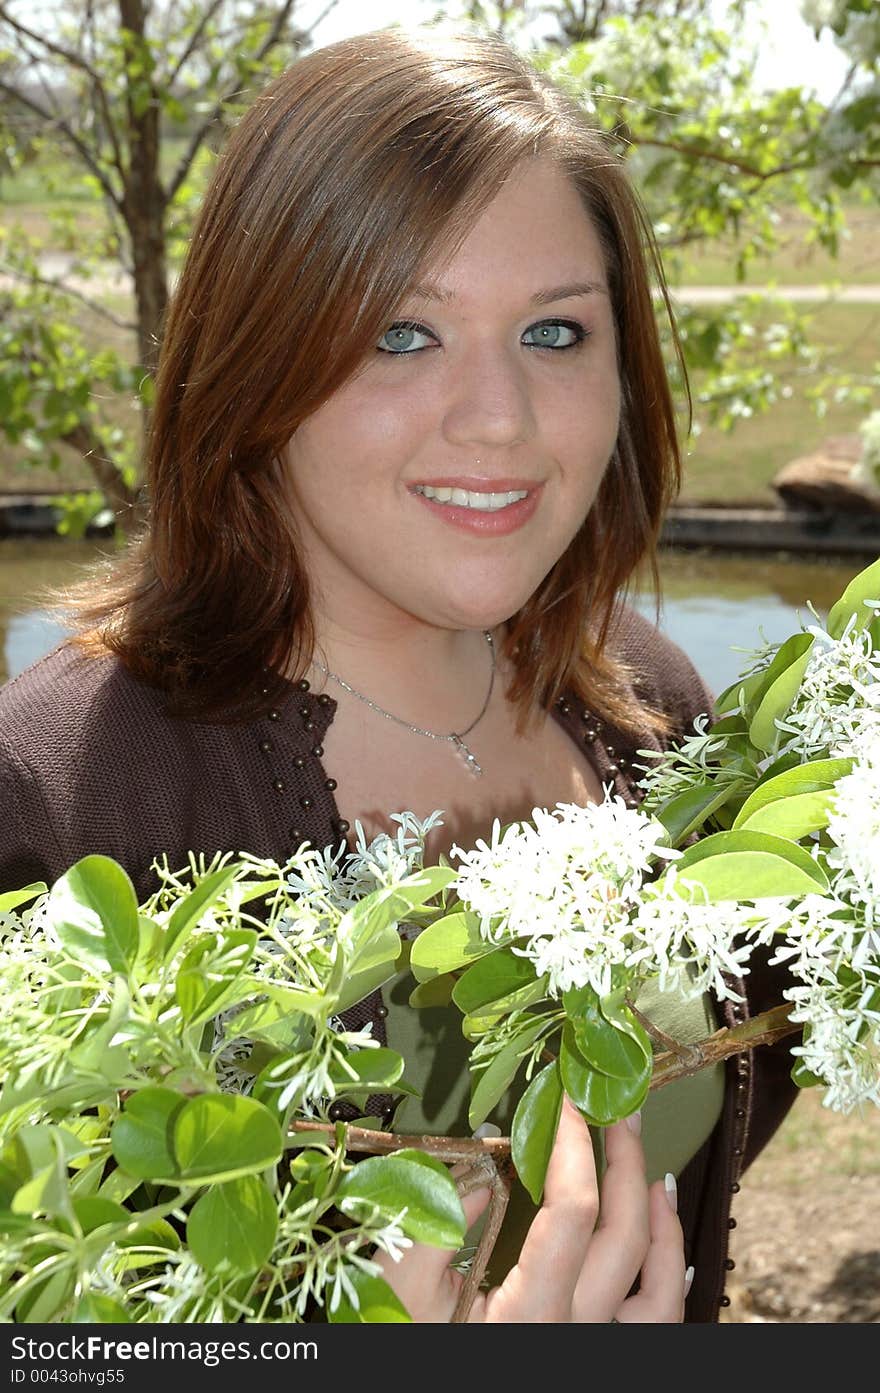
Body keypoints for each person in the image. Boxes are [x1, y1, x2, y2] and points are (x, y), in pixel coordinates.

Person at [0, 25, 799, 1322]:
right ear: (259, 359)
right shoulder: (58, 806)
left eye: (554, 332)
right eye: (400, 333)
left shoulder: (655, 713)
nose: (501, 419)